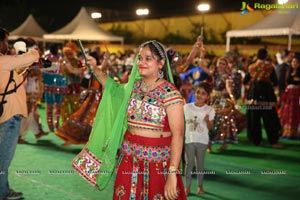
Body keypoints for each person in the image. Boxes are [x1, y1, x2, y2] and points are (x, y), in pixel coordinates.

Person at [72, 40, 186, 200]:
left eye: (148, 58)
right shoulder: (134, 87)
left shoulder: (170, 94)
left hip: (158, 165)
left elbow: (178, 135)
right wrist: (96, 68)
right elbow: (113, 89)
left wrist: (173, 173)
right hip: (129, 158)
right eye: (140, 58)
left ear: (161, 64)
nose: (141, 62)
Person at [0, 27, 40, 200]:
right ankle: (2, 193)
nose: (6, 44)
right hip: (10, 113)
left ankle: (4, 189)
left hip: (6, 111)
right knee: (3, 159)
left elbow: (16, 73)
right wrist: (33, 50)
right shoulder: (3, 61)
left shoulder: (5, 60)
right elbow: (32, 57)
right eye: (5, 41)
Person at [244, 48, 283, 148]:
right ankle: (273, 141)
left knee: (254, 117)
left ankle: (256, 140)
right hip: (266, 94)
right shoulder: (270, 67)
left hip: (254, 93)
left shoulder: (251, 67)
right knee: (269, 117)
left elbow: (245, 80)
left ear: (257, 56)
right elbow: (275, 81)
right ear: (266, 56)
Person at [183, 82, 215, 195]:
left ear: (207, 96)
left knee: (200, 164)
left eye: (203, 93)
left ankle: (200, 186)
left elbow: (211, 127)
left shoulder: (210, 110)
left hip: (202, 141)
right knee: (189, 164)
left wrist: (208, 121)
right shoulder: (186, 107)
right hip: (189, 140)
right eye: (198, 92)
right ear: (194, 92)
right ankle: (187, 187)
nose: (199, 95)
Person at [280, 54, 300, 139]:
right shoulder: (288, 72)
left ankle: (295, 132)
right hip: (288, 96)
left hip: (297, 96)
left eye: (296, 62)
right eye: (293, 62)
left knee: (295, 113)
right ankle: (285, 132)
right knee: (286, 113)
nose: (294, 63)